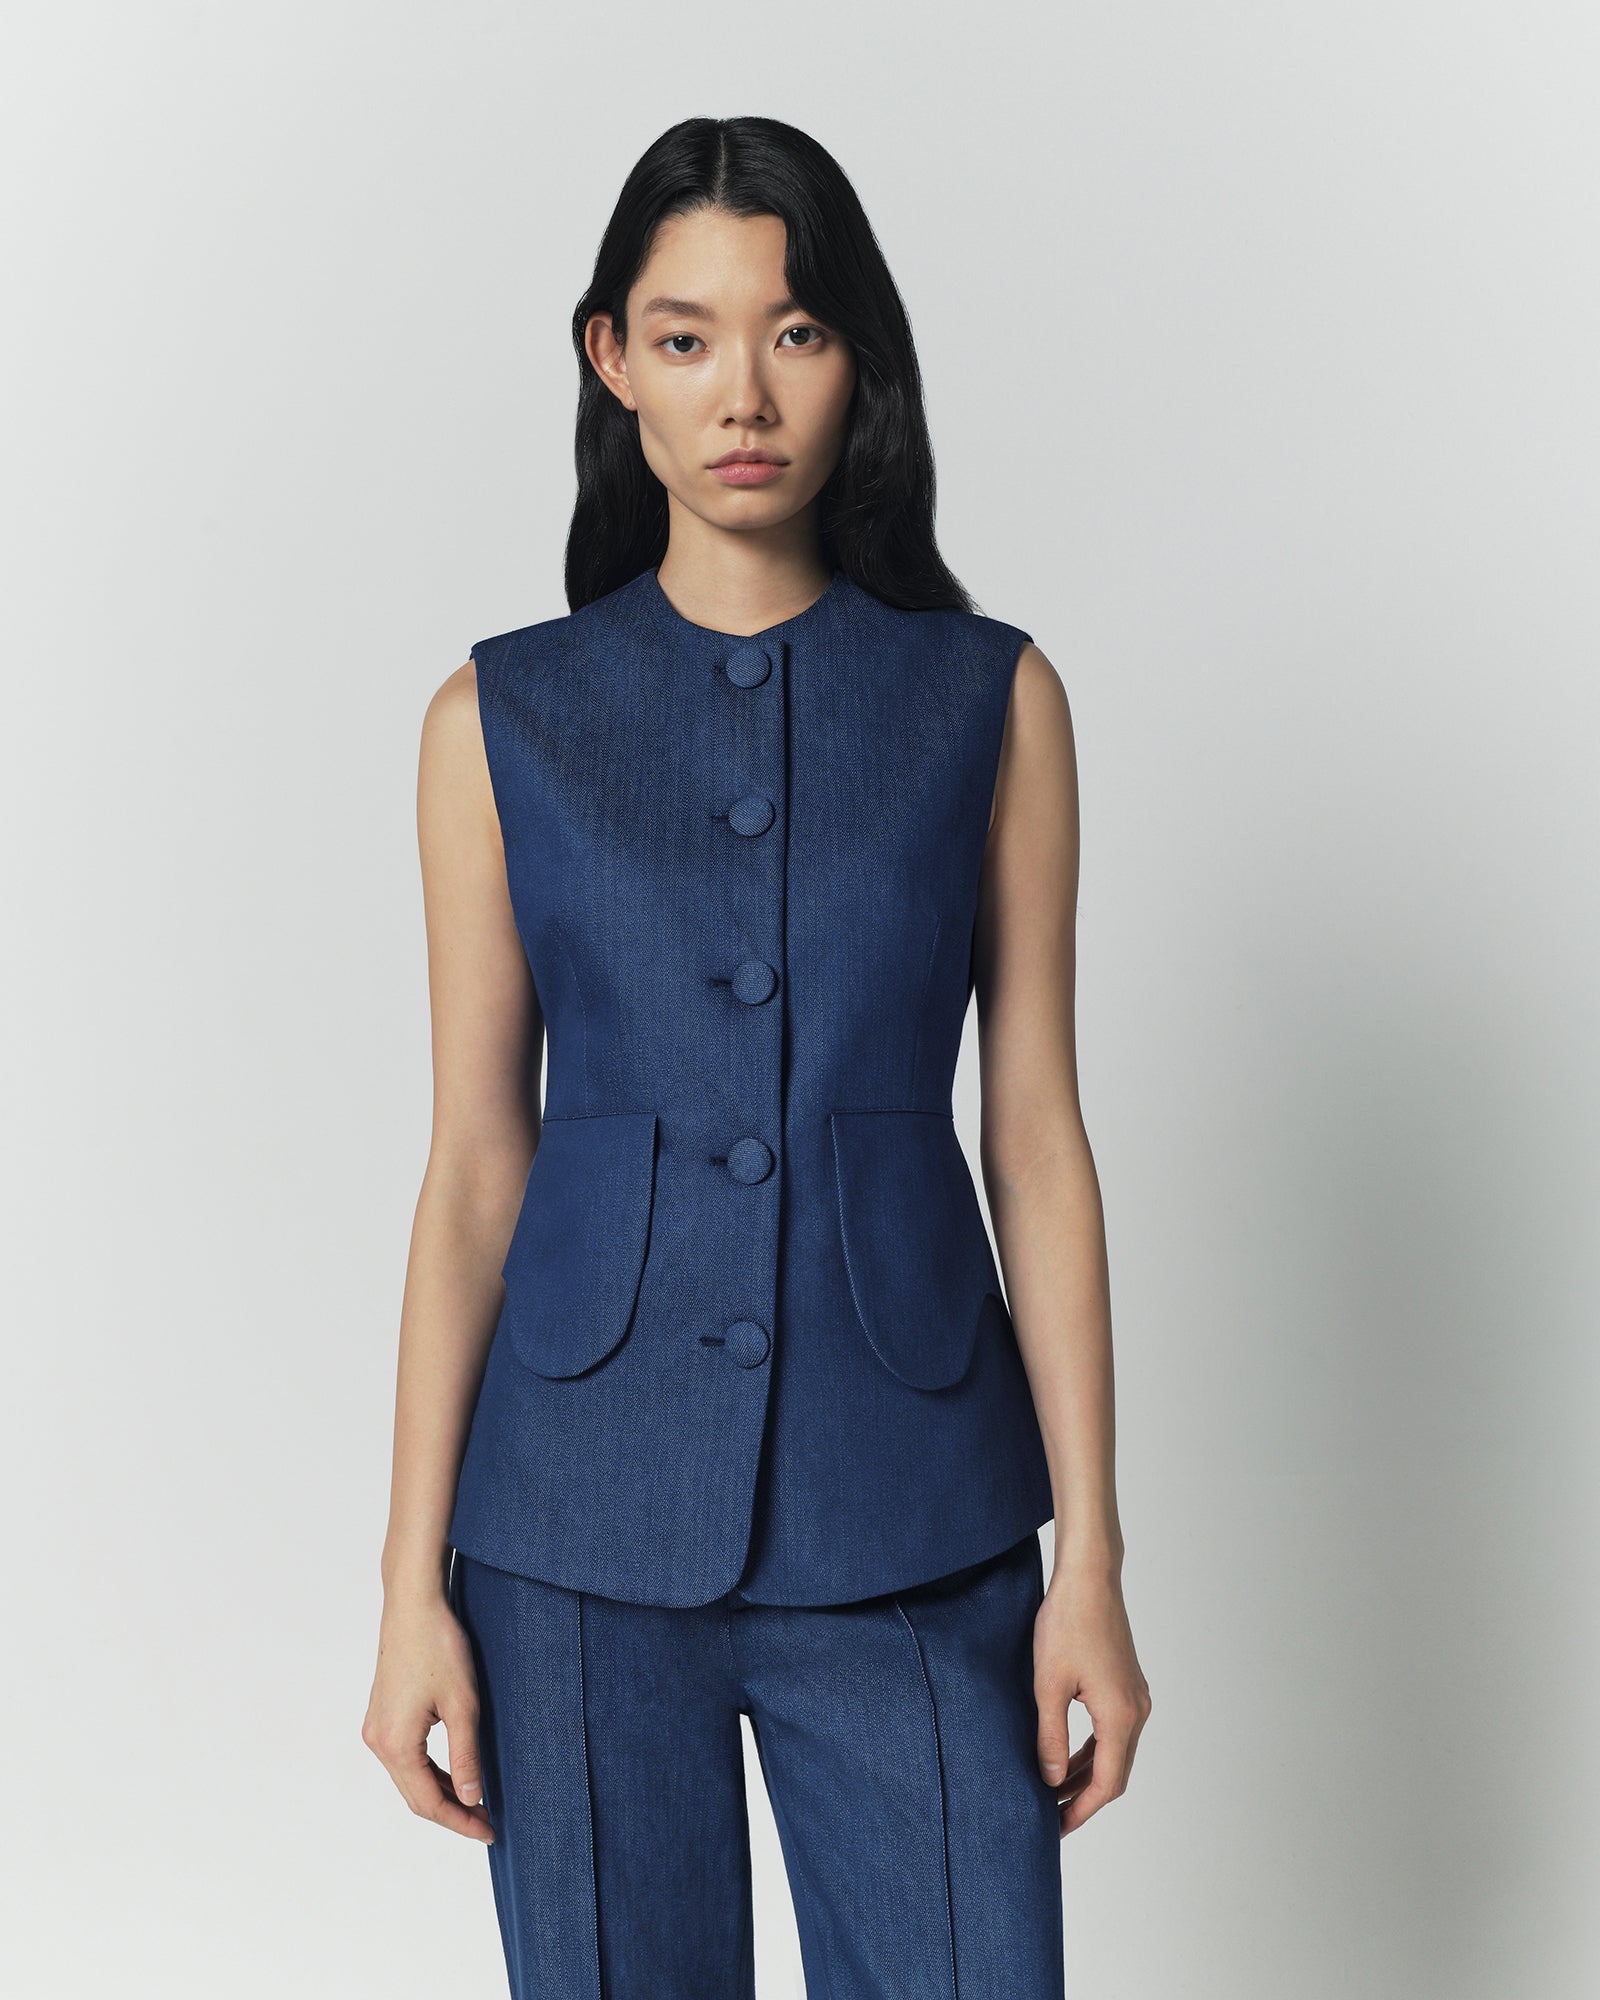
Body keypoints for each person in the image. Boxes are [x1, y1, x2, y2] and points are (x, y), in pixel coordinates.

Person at [363, 114, 1151, 1998]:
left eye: (795, 332)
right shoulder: (498, 720)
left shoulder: (990, 701)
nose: (744, 393)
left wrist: (1094, 1566)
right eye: (687, 335)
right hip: (570, 1524)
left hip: (917, 1507)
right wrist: (406, 1590)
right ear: (612, 359)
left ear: (858, 357)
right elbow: (476, 1166)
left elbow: (1035, 1136)